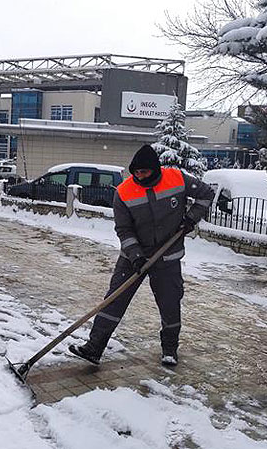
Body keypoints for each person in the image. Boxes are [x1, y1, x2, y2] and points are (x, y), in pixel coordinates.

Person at [69, 144, 214, 367]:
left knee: (170, 304)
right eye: (136, 173)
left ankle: (169, 350)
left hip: (167, 256)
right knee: (114, 300)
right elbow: (124, 229)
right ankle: (94, 347)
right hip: (133, 258)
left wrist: (191, 219)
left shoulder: (176, 178)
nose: (140, 177)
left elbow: (206, 194)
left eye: (144, 172)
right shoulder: (124, 192)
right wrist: (136, 255)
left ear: (155, 169)